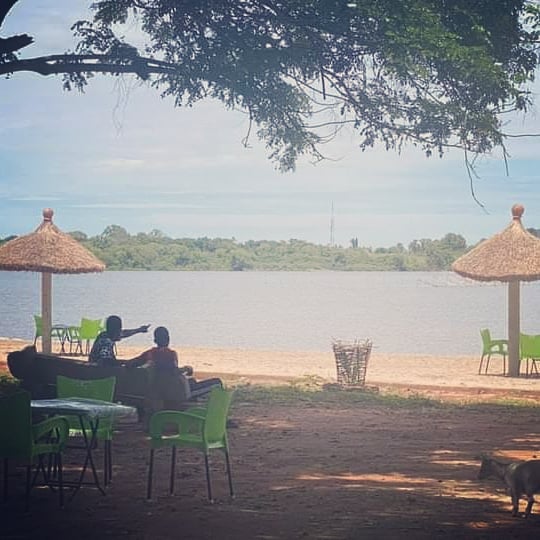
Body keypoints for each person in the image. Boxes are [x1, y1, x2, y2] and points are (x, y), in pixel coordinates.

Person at [128, 326, 222, 394]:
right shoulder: (170, 354)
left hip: (157, 389)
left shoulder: (149, 353)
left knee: (192, 380)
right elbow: (173, 371)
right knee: (217, 382)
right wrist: (187, 368)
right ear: (168, 339)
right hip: (176, 391)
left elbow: (131, 363)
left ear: (155, 341)